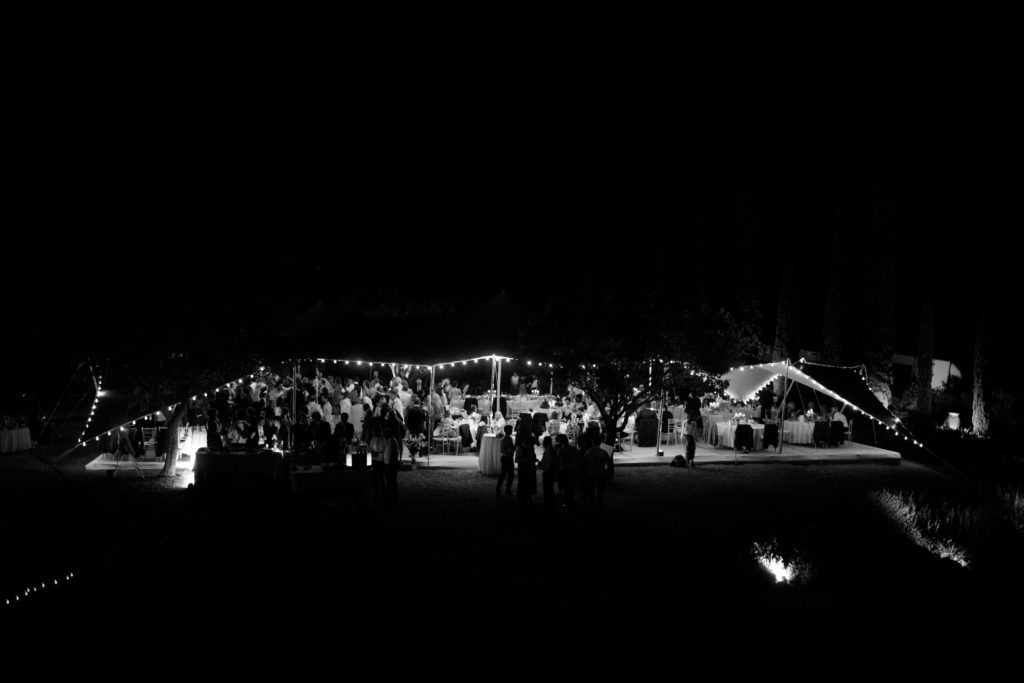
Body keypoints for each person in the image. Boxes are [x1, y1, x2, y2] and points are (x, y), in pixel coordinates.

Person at [582, 441, 611, 513]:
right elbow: (608, 463)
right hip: (600, 474)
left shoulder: (587, 452)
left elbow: (584, 464)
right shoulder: (603, 452)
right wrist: (605, 471)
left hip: (590, 474)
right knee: (600, 491)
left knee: (591, 491)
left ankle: (592, 505)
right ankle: (599, 506)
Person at [555, 434, 580, 508]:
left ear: (560, 442)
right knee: (571, 487)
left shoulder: (561, 450)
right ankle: (571, 502)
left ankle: (567, 503)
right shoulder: (573, 448)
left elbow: (561, 463)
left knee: (566, 488)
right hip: (574, 470)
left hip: (566, 471)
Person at [515, 435, 537, 513]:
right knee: (523, 484)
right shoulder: (520, 448)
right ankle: (521, 501)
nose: (533, 444)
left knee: (530, 483)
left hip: (530, 468)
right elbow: (517, 460)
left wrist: (534, 459)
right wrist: (526, 459)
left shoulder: (530, 447)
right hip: (524, 469)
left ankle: (528, 499)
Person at [539, 435, 559, 514]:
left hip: (548, 472)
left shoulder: (549, 450)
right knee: (549, 489)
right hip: (550, 471)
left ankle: (548, 506)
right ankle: (550, 505)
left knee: (548, 490)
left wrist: (542, 465)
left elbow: (549, 462)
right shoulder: (551, 450)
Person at [383, 427, 401, 506]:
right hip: (390, 464)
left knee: (391, 481)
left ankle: (392, 498)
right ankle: (392, 497)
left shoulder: (392, 441)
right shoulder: (390, 441)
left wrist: (389, 465)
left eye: (385, 434)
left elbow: (391, 454)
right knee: (391, 481)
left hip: (391, 464)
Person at [496, 424, 515, 496]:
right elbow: (502, 450)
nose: (511, 431)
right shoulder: (503, 440)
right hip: (506, 457)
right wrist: (510, 449)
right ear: (506, 431)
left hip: (508, 457)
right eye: (510, 430)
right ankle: (499, 489)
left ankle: (506, 489)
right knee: (504, 475)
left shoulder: (509, 438)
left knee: (509, 475)